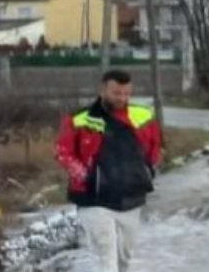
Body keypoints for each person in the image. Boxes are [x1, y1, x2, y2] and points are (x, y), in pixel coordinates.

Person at [54, 69, 161, 272]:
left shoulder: (143, 115)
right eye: (116, 93)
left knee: (124, 258)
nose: (122, 98)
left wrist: (149, 169)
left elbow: (156, 146)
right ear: (103, 90)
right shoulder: (78, 119)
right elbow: (63, 152)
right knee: (107, 255)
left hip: (132, 197)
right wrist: (84, 176)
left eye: (126, 93)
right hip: (93, 199)